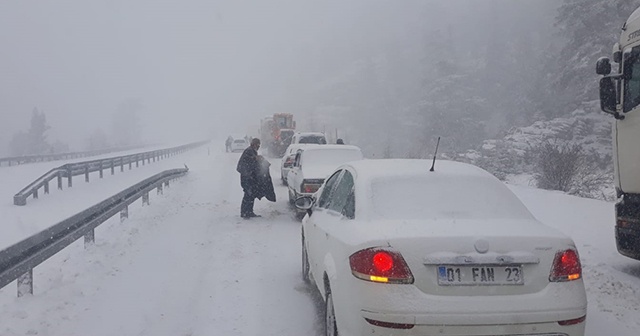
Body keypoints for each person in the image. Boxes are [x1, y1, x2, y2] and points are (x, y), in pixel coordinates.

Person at [236, 138, 261, 218]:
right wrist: (255, 158)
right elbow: (248, 160)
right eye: (258, 144)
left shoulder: (252, 151)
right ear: (254, 144)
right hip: (246, 177)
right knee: (248, 194)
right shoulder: (249, 151)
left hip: (249, 176)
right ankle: (244, 212)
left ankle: (249, 211)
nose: (258, 146)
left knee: (251, 194)